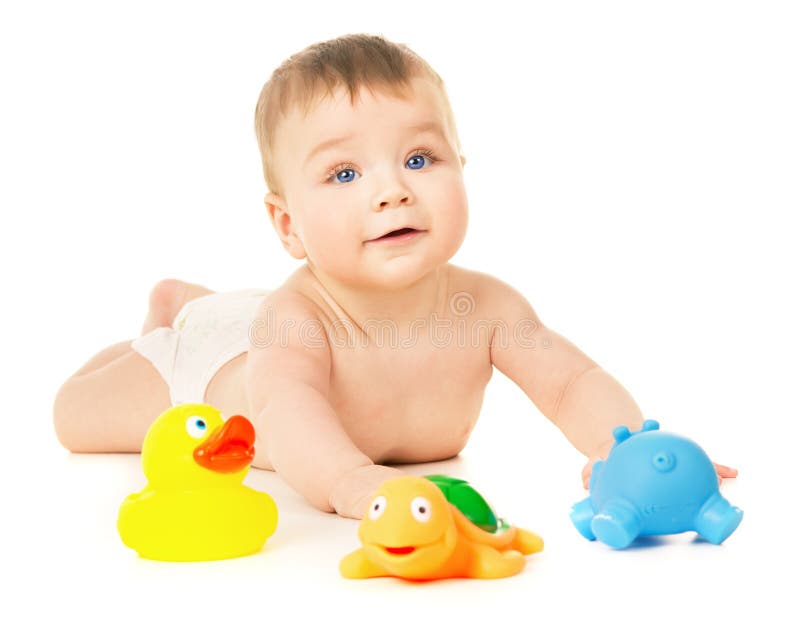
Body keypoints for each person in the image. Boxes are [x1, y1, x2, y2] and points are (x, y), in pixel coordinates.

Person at [53, 34, 737, 519]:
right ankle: (168, 323)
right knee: (74, 418)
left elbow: (571, 382)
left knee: (248, 319)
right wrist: (352, 483)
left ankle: (195, 300)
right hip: (212, 370)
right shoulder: (298, 322)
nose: (391, 192)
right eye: (344, 174)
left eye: (419, 158)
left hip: (263, 322)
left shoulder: (486, 308)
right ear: (287, 225)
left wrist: (625, 448)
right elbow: (289, 416)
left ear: (461, 166)